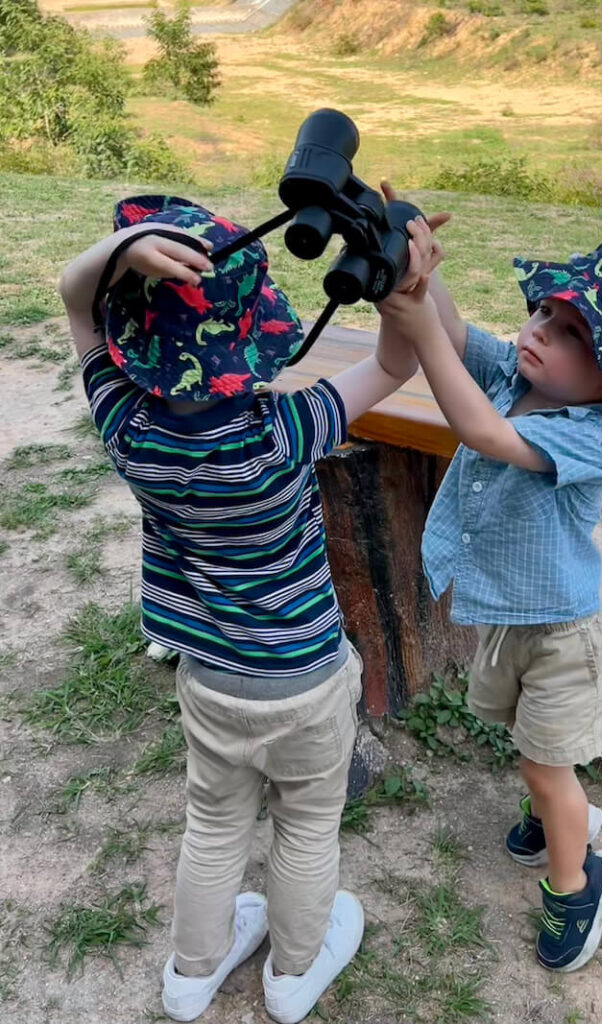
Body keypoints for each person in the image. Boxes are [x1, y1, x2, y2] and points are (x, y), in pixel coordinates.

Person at [58, 194, 437, 1022]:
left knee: (213, 822)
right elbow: (396, 367)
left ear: (137, 347)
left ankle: (191, 977)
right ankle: (294, 974)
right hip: (302, 678)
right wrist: (400, 287)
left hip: (211, 681)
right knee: (306, 825)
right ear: (251, 339)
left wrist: (125, 246)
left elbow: (72, 295)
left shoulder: (129, 431)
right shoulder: (287, 428)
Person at [377, 213, 602, 973]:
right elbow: (452, 334)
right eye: (545, 311)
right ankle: (558, 814)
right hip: (511, 621)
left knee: (549, 765)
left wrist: (417, 326)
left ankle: (579, 884)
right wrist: (424, 269)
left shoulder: (586, 436)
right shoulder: (515, 374)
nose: (541, 330)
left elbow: (485, 434)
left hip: (560, 638)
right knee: (535, 754)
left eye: (572, 333)